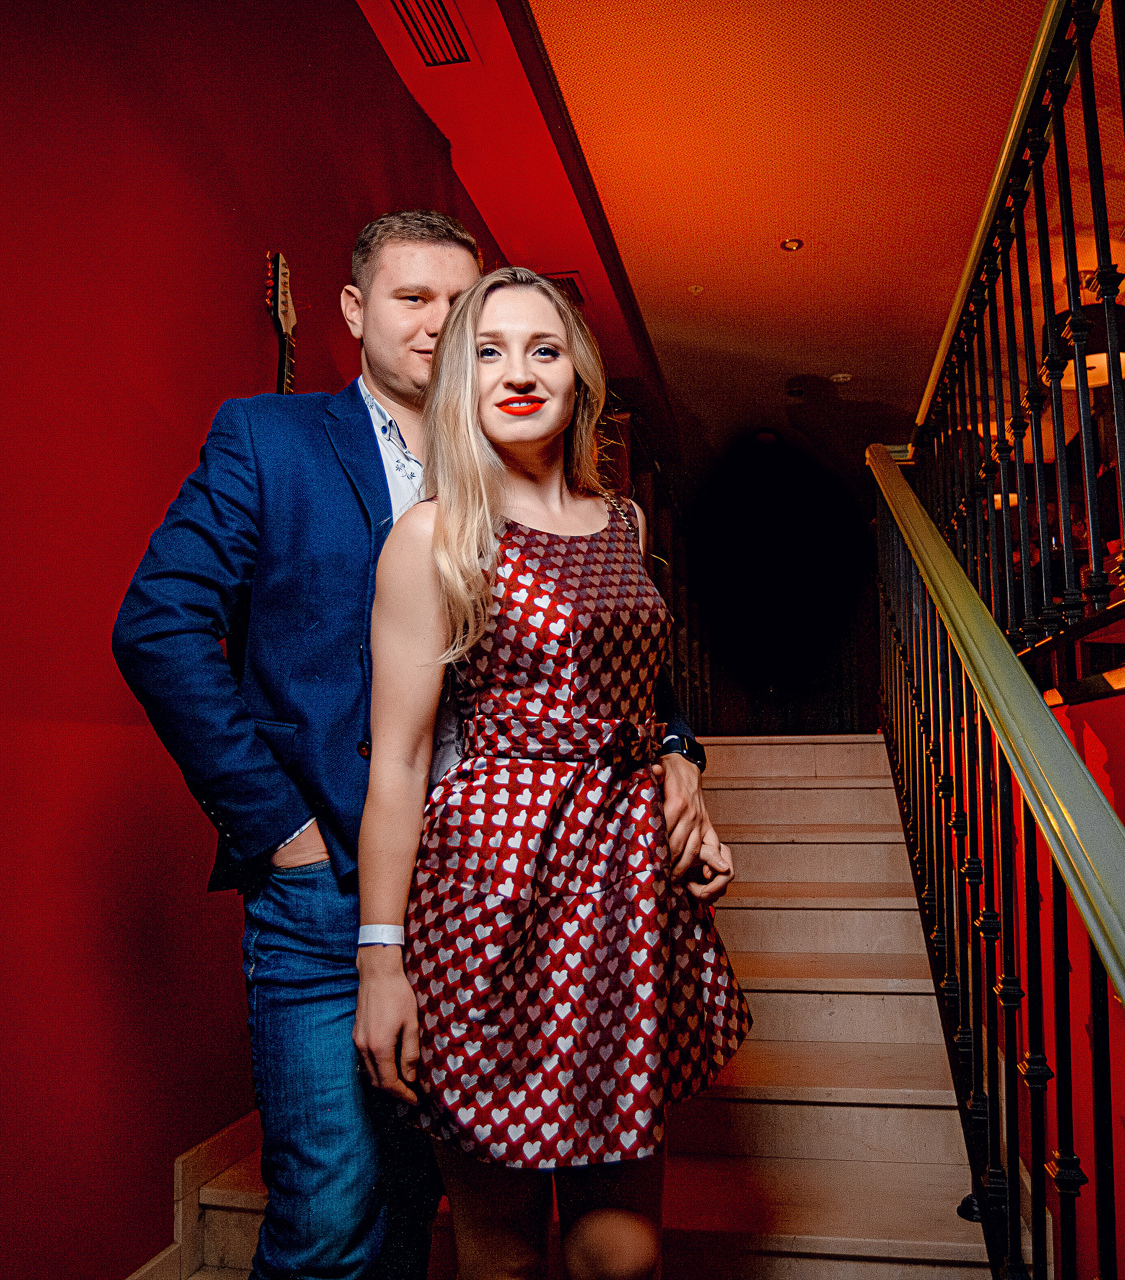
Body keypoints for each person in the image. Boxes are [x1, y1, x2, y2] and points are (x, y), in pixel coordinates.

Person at [113, 214, 719, 1280]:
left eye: (461, 303)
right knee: (332, 1214)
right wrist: (284, 832)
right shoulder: (273, 441)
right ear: (354, 311)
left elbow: (607, 665)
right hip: (338, 879)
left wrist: (675, 753)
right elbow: (158, 625)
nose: (442, 324)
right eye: (413, 299)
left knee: (418, 1204)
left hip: (531, 894)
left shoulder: (553, 482)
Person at [353, 267, 749, 1280]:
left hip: (624, 894)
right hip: (493, 891)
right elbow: (398, 763)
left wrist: (680, 781)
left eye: (544, 349)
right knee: (502, 1252)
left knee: (623, 1246)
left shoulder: (625, 522)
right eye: (489, 351)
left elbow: (641, 702)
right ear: (459, 377)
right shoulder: (434, 534)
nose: (519, 372)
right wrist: (381, 962)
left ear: (580, 377)